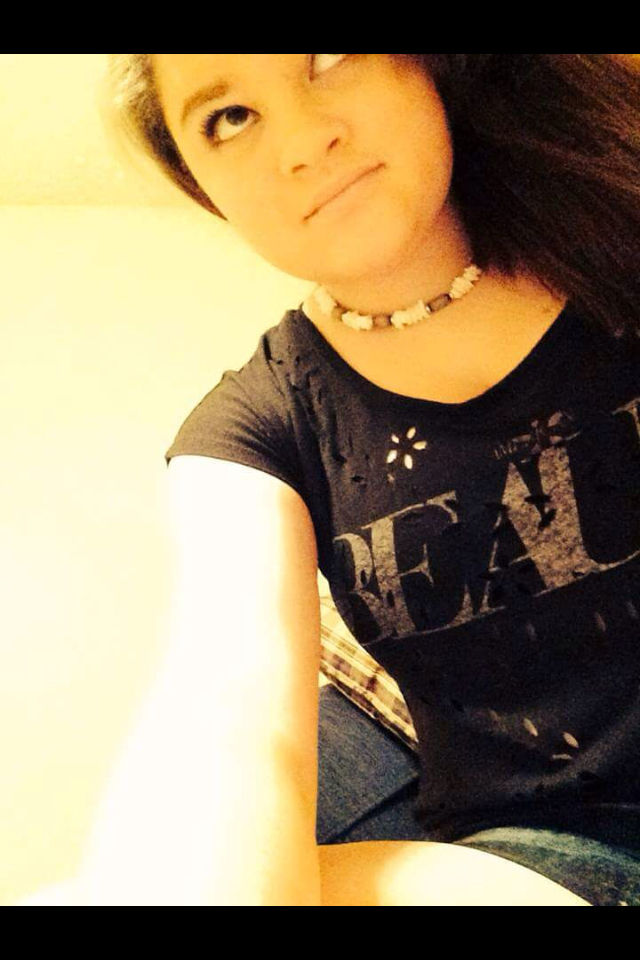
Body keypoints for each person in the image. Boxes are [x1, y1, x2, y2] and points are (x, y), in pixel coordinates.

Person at [48, 54, 640, 906]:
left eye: (329, 58)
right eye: (229, 118)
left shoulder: (613, 218)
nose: (301, 142)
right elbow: (226, 710)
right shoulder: (253, 432)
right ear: (203, 182)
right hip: (548, 859)